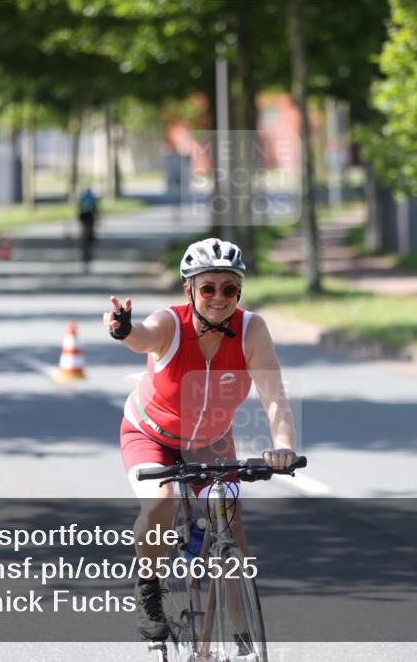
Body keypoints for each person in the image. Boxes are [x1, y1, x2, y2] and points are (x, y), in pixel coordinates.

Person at [103, 237, 298, 642]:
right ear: (189, 290)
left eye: (229, 288)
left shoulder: (251, 329)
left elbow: (274, 397)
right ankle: (148, 586)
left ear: (239, 291)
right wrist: (123, 329)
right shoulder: (170, 324)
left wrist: (283, 446)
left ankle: (246, 641)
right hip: (150, 434)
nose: (219, 298)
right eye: (208, 288)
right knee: (161, 502)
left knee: (230, 523)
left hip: (211, 440)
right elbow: (142, 336)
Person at [78, 187, 98, 270]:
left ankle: (84, 238)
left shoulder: (83, 197)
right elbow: (95, 208)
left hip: (83, 215)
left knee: (84, 228)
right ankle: (89, 238)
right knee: (90, 228)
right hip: (90, 215)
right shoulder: (92, 197)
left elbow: (79, 207)